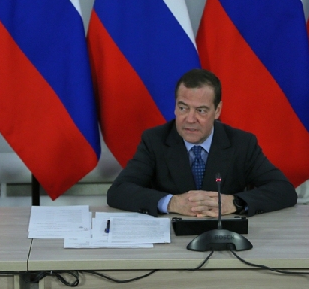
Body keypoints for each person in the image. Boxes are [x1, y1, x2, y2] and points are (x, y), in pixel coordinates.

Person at [107, 68, 297, 218]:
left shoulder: (242, 143)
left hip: (225, 235)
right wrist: (171, 203)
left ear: (217, 111)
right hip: (172, 238)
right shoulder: (155, 140)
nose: (190, 119)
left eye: (201, 111)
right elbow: (119, 191)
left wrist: (235, 202)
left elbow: (284, 190)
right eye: (183, 108)